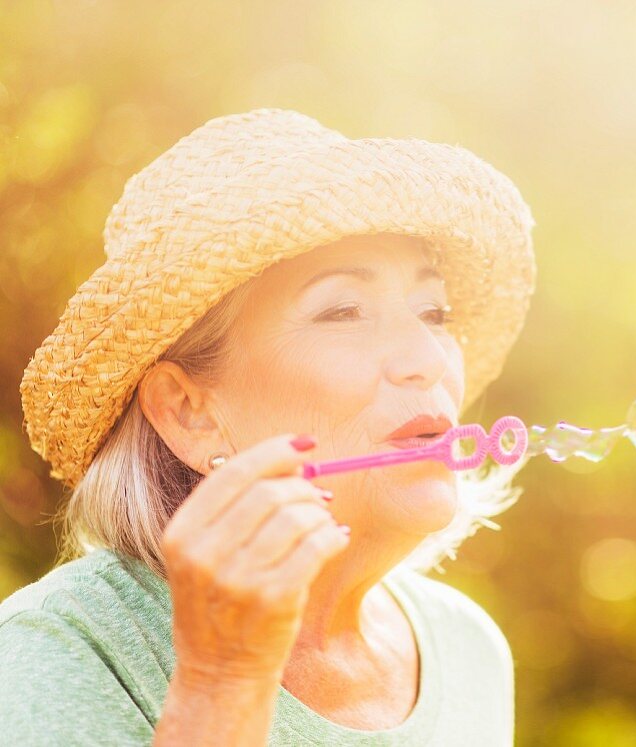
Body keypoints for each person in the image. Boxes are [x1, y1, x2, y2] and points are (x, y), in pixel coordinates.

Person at [0, 107, 537, 745]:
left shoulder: (467, 647)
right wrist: (222, 680)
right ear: (188, 413)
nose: (427, 359)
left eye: (433, 311)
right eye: (343, 310)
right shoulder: (59, 652)